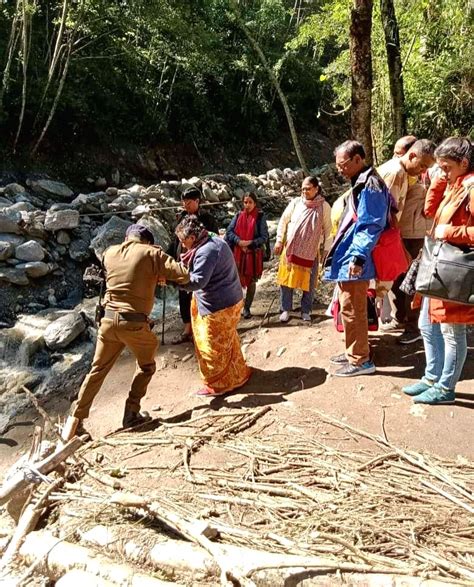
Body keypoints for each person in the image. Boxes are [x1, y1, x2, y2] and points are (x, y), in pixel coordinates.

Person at [61, 225, 190, 441]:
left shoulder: (109, 253)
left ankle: (74, 422)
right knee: (147, 365)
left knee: (98, 370)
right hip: (134, 324)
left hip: (108, 321)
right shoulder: (152, 253)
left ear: (127, 238)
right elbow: (183, 275)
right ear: (147, 241)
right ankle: (131, 413)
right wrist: (157, 263)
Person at [402, 137, 474, 405]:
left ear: (464, 163)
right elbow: (429, 210)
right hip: (438, 268)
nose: (441, 171)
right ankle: (432, 377)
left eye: (446, 167)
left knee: (452, 334)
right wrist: (441, 180)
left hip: (455, 272)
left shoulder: (472, 187)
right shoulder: (455, 184)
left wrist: (451, 232)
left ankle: (446, 388)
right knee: (426, 324)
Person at [324, 140, 391, 377]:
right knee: (349, 306)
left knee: (353, 308)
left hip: (355, 259)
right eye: (337, 166)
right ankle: (355, 350)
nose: (339, 169)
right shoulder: (361, 181)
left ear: (357, 159)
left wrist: (358, 257)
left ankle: (361, 360)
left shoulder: (370, 185)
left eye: (343, 165)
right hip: (350, 256)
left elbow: (370, 225)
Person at [176, 215, 252, 396]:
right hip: (229, 299)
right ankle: (237, 375)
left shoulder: (207, 251)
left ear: (192, 238)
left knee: (211, 346)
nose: (181, 245)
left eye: (182, 241)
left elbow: (197, 282)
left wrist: (173, 281)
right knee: (228, 341)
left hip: (219, 306)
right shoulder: (211, 238)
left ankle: (218, 385)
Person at [274, 176, 332, 323]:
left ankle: (306, 310)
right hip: (291, 249)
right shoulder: (296, 203)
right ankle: (285, 309)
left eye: (308, 188)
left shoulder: (324, 206)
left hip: (311, 252)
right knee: (286, 281)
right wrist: (279, 240)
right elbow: (283, 221)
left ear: (316, 189)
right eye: (303, 189)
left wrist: (326, 249)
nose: (305, 191)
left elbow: (328, 229)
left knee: (310, 283)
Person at [168, 187, 219, 344]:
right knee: (184, 296)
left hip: (200, 262)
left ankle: (203, 327)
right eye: (184, 202)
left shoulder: (207, 219)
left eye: (189, 202)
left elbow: (214, 240)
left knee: (200, 294)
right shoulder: (182, 217)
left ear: (197, 201)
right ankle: (187, 328)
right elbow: (175, 239)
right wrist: (169, 257)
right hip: (182, 261)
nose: (185, 205)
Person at [225, 192, 269, 319]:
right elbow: (229, 232)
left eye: (250, 202)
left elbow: (264, 237)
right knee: (235, 281)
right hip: (238, 253)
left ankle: (247, 308)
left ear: (255, 203)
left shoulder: (260, 217)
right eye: (245, 202)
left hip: (253, 255)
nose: (247, 205)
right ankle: (236, 307)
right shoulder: (238, 215)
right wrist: (239, 241)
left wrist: (250, 243)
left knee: (251, 282)